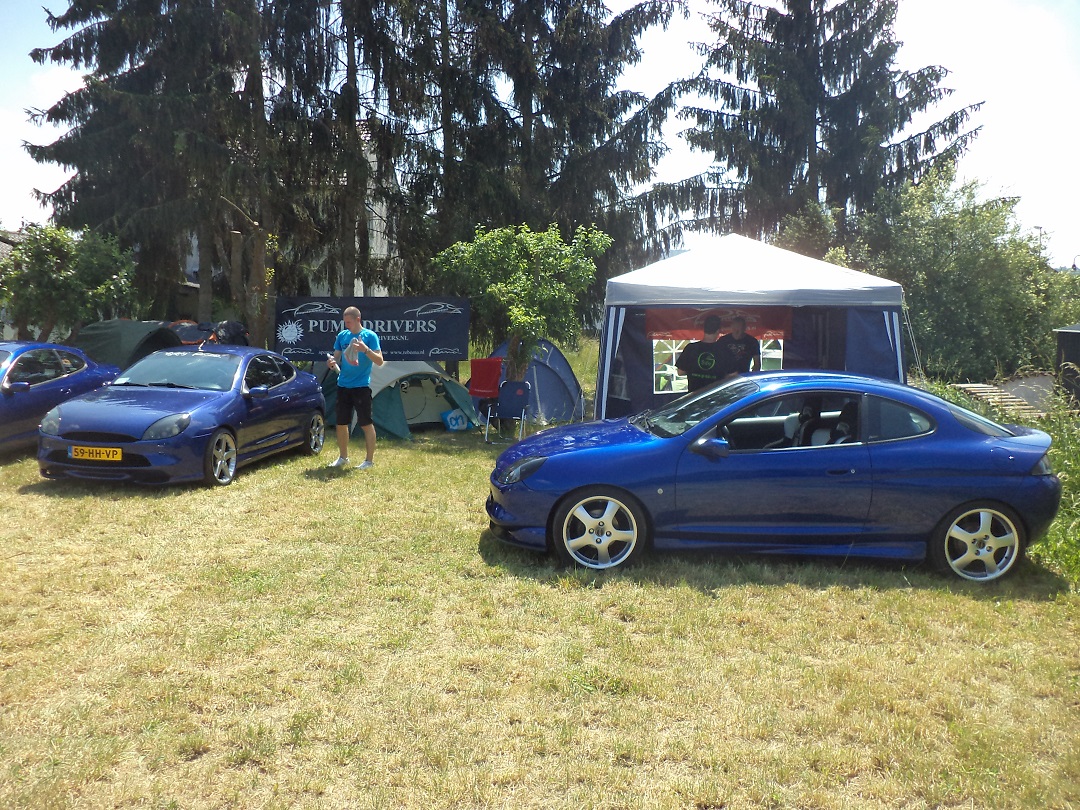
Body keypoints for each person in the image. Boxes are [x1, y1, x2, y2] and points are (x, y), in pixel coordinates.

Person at [326, 306, 384, 469]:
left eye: (349, 322)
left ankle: (369, 461)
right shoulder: (342, 336)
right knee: (341, 423)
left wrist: (365, 350)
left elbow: (379, 361)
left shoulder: (370, 336)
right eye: (345, 322)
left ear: (358, 319)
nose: (346, 325)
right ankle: (343, 457)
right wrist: (331, 363)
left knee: (366, 423)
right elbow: (336, 357)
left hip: (361, 386)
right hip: (343, 385)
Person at [675, 315, 726, 392]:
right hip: (716, 396)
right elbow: (732, 375)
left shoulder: (691, 348)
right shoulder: (724, 350)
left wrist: (696, 371)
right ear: (718, 331)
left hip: (695, 396)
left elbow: (680, 372)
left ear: (704, 329)